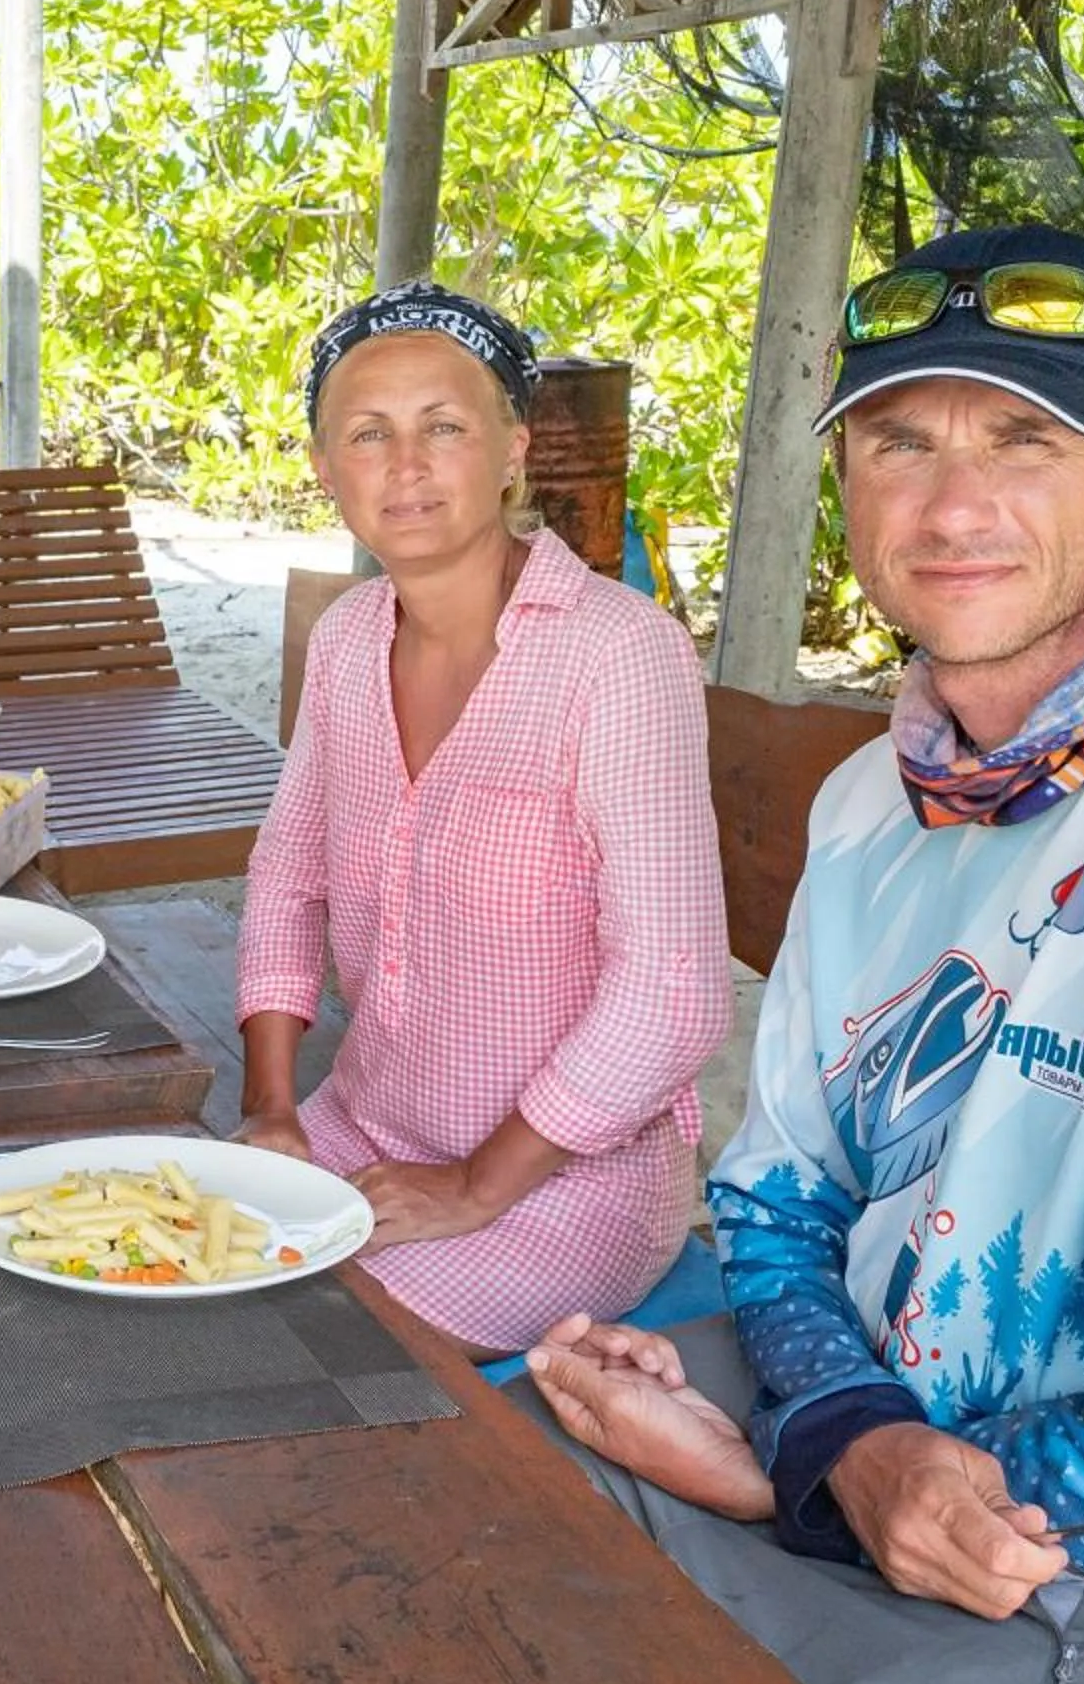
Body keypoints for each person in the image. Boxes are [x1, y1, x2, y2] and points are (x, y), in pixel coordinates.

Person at [522, 224, 1084, 1684]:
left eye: (1028, 439)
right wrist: (839, 1437)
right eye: (898, 443)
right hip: (875, 1401)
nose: (952, 505)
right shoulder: (878, 797)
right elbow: (782, 1197)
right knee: (490, 1473)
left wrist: (793, 1476)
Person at [236, 282, 729, 1355]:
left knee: (307, 1341)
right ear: (328, 473)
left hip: (560, 1191)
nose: (405, 466)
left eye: (443, 427)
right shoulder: (348, 639)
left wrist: (472, 1184)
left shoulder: (618, 654)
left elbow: (674, 996)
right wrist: (273, 1107)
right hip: (361, 1131)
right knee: (187, 1256)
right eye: (368, 434)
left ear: (512, 448)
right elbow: (286, 876)